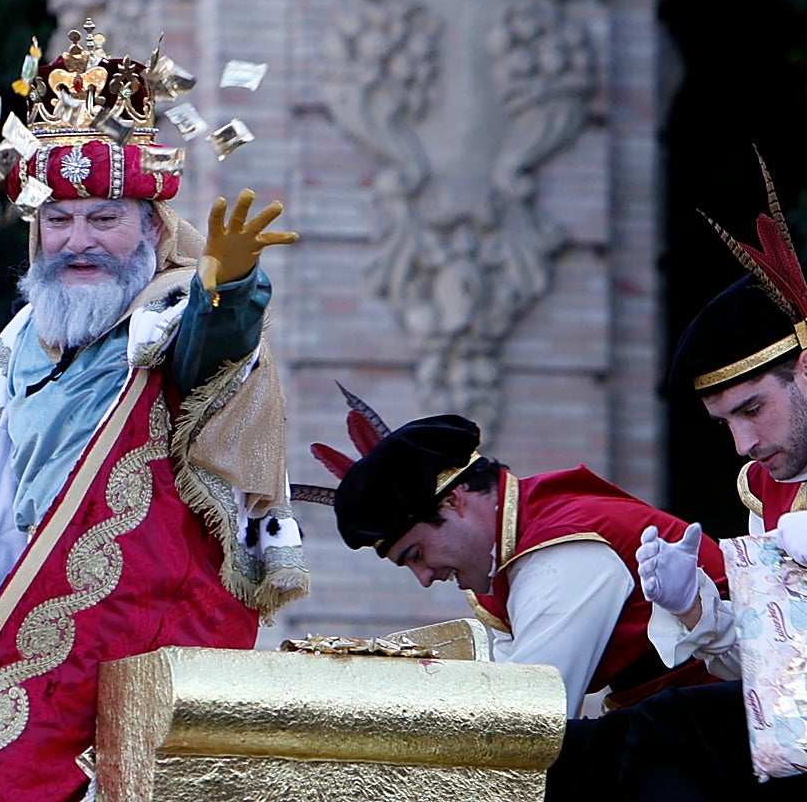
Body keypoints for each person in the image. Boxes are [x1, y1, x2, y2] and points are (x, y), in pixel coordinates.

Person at [0, 20, 310, 802]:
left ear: (152, 229)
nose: (78, 241)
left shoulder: (166, 312)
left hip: (133, 613)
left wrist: (230, 287)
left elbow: (213, 342)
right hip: (26, 604)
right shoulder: (29, 331)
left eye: (104, 217)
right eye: (58, 219)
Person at [546, 152, 807, 800]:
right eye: (726, 424)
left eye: (753, 409)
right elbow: (775, 678)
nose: (745, 445)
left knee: (648, 736)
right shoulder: (768, 490)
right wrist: (696, 605)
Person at [304, 406, 727, 720]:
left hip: (738, 732)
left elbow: (528, 717)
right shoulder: (527, 540)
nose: (425, 578)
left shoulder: (560, 552)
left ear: (454, 501)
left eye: (416, 554)